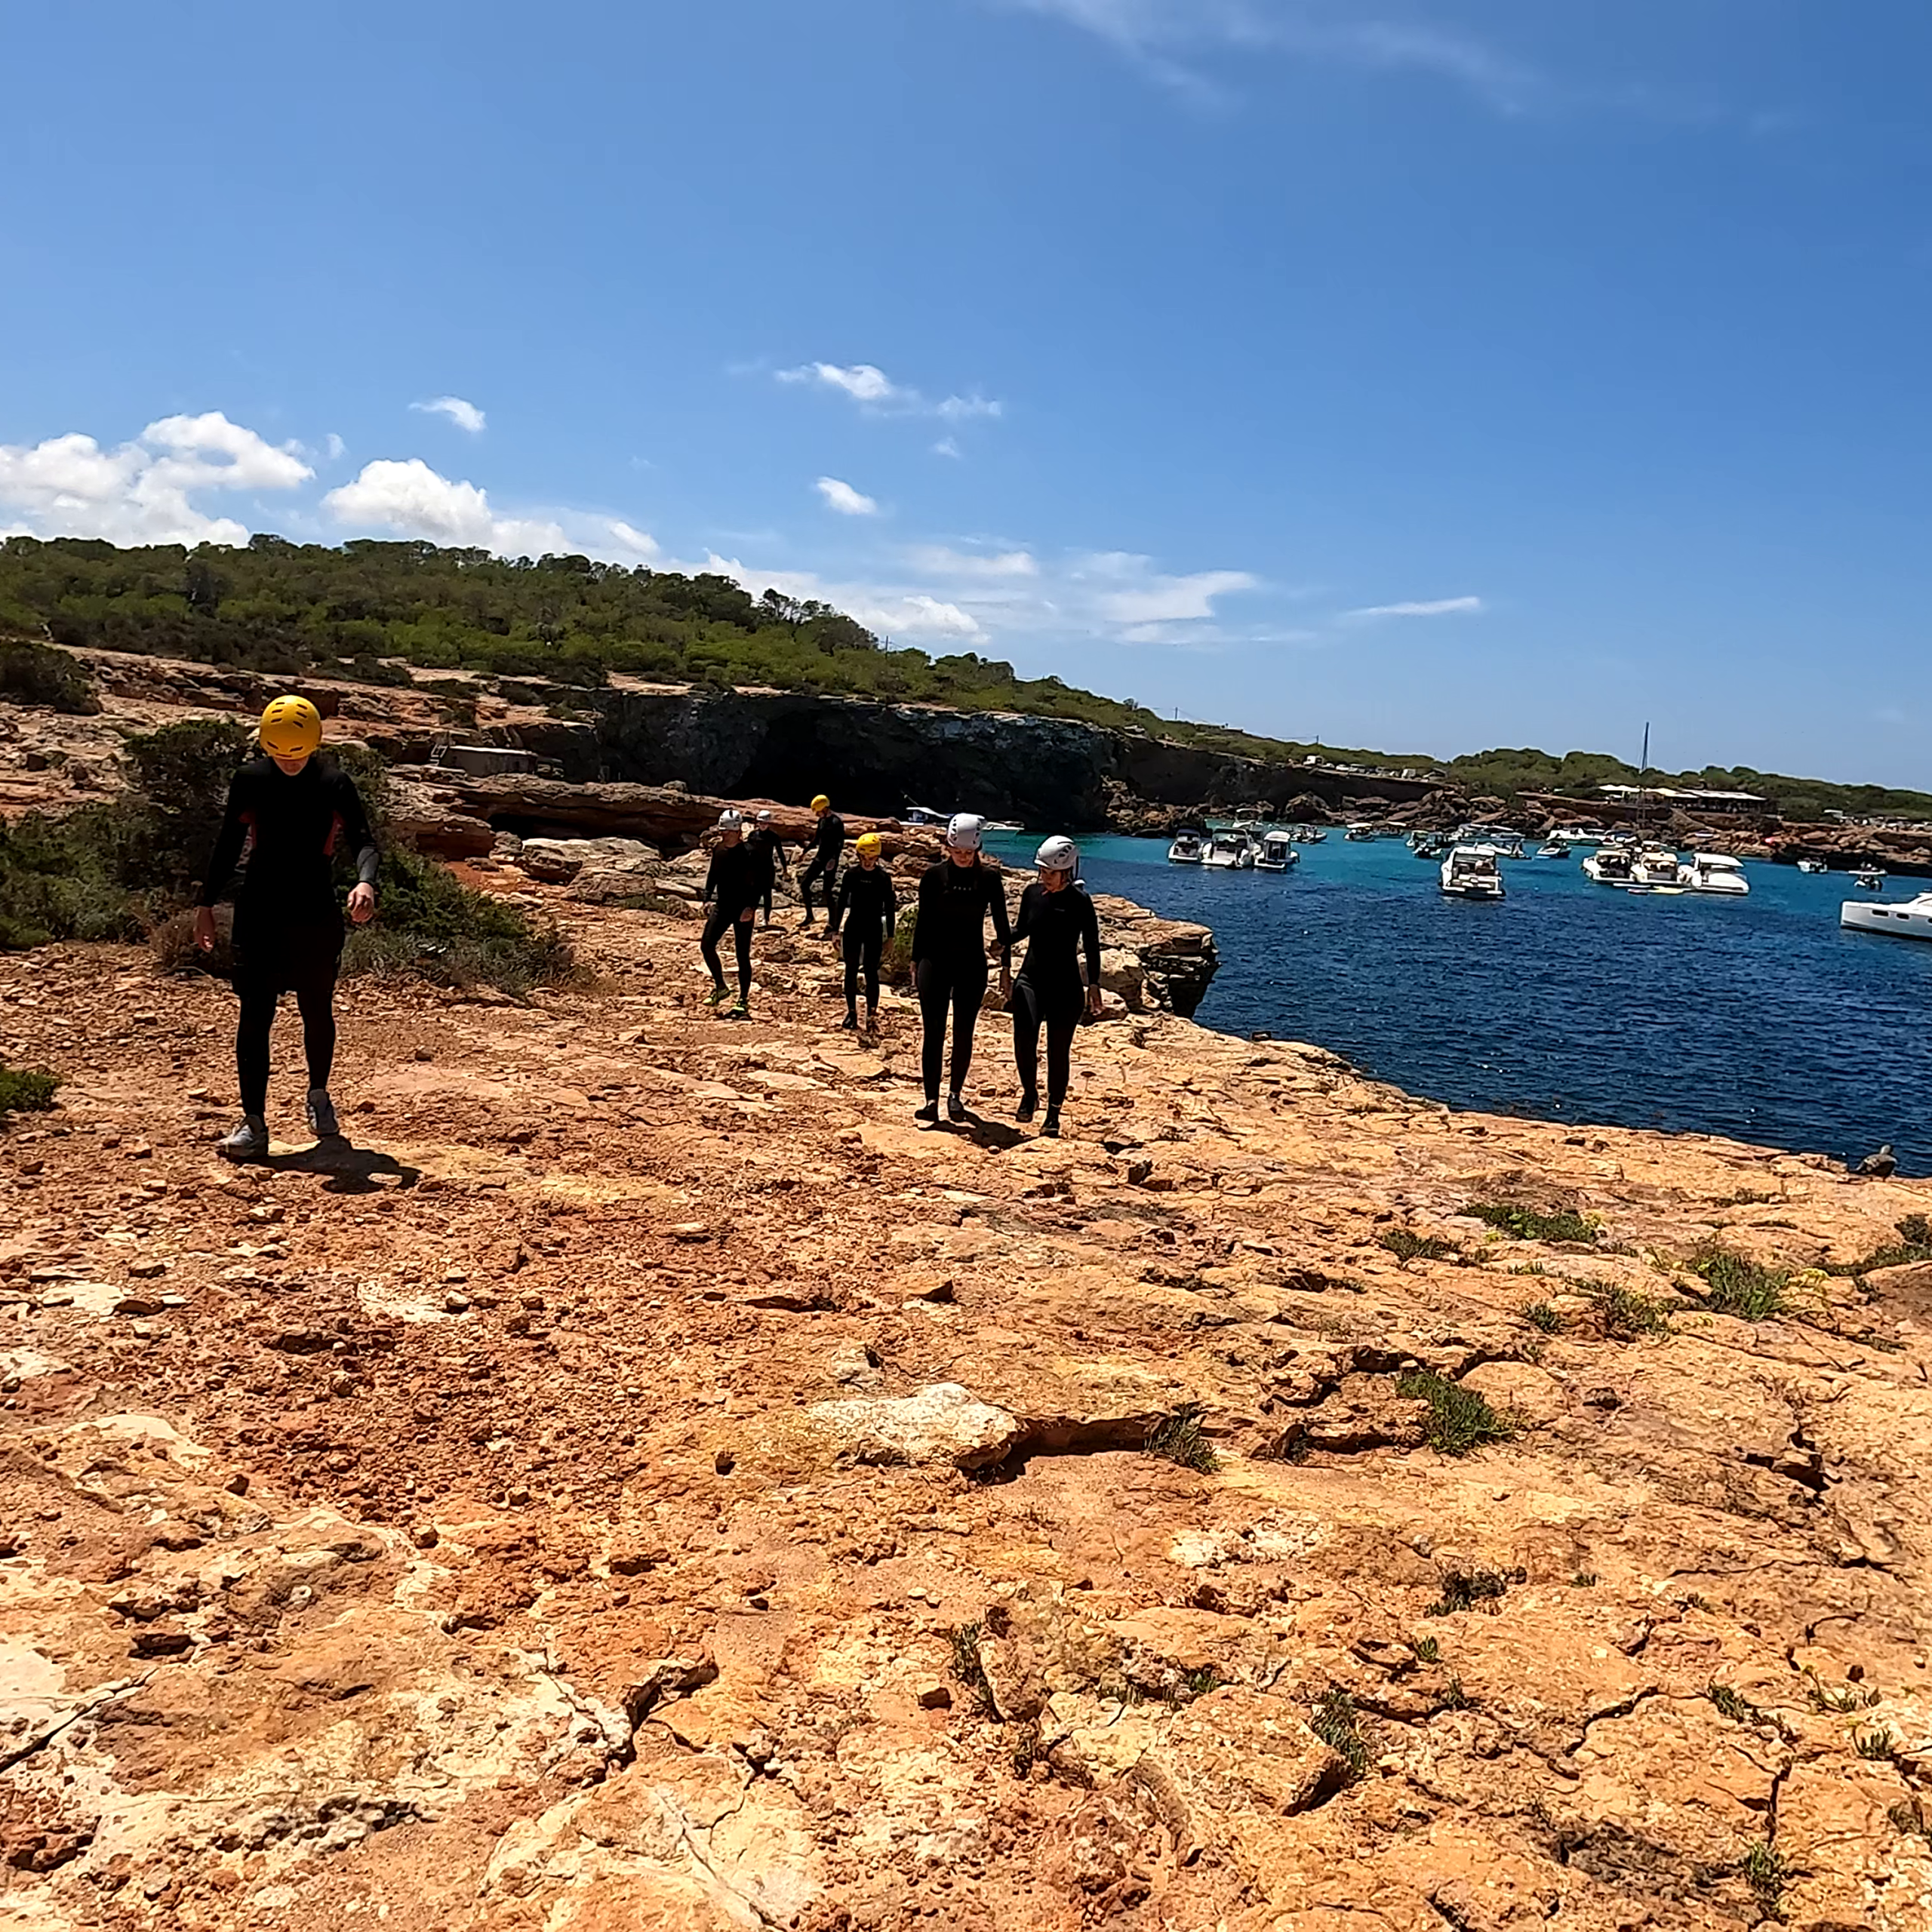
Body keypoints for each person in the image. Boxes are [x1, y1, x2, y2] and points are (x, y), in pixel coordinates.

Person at [194, 695, 379, 1160]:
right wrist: (205, 904)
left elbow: (364, 841)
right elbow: (228, 841)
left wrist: (366, 882)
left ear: (314, 744)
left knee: (316, 1008)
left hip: (314, 909)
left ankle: (318, 1095)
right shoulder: (251, 780)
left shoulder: (334, 783)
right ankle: (253, 1123)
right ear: (266, 745)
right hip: (259, 909)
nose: (290, 762)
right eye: (280, 754)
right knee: (254, 1014)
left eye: (297, 754)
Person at [910, 814, 1011, 1125]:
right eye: (958, 852)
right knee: (934, 1032)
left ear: (978, 849)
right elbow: (923, 921)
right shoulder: (933, 877)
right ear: (948, 847)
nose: (964, 857)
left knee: (963, 1032)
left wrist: (1006, 964)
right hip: (934, 962)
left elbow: (1002, 925)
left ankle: (955, 1095)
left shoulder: (989, 879)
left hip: (971, 964)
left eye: (969, 852)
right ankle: (931, 1101)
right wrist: (914, 960)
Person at [1010, 835, 1103, 1138]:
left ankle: (1053, 1114)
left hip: (1065, 986)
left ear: (1067, 871)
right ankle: (1029, 1094)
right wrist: (1002, 941)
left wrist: (1094, 985)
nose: (1044, 877)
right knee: (1024, 1040)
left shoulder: (1080, 902)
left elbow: (1092, 944)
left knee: (1057, 1050)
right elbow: (1021, 929)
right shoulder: (1032, 894)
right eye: (1042, 871)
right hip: (1030, 978)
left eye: (1051, 872)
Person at [827, 832, 896, 1032]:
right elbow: (841, 902)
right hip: (854, 927)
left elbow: (890, 908)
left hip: (874, 928)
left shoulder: (883, 878)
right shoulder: (851, 875)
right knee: (850, 970)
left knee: (871, 972)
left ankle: (872, 1015)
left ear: (877, 857)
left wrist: (891, 937)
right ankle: (851, 1012)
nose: (868, 861)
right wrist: (835, 930)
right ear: (858, 856)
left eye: (872, 858)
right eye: (864, 857)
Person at [700, 808, 763, 1018]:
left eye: (727, 831)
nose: (724, 835)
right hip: (723, 905)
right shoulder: (719, 850)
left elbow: (760, 883)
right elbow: (713, 874)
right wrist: (707, 897)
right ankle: (721, 986)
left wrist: (751, 907)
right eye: (722, 831)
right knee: (707, 945)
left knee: (742, 954)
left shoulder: (750, 853)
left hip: (743, 909)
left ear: (737, 832)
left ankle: (743, 1000)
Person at [798, 793, 846, 928]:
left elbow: (840, 843)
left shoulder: (837, 822)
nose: (817, 815)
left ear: (825, 809)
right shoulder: (822, 821)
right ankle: (809, 916)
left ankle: (832, 923)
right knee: (805, 884)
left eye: (818, 812)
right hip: (820, 858)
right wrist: (805, 851)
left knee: (827, 891)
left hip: (830, 860)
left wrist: (834, 859)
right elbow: (816, 839)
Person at [747, 808, 787, 928]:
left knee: (767, 894)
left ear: (769, 823)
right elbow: (747, 851)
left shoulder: (773, 837)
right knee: (753, 895)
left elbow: (780, 853)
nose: (763, 825)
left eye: (765, 823)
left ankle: (766, 919)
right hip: (754, 868)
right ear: (758, 823)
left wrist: (785, 869)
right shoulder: (752, 836)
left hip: (768, 869)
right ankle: (750, 917)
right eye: (761, 823)